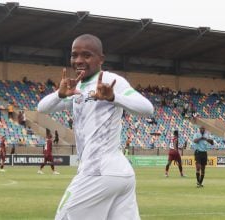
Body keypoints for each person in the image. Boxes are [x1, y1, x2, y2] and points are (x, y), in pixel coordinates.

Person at [38, 34, 153, 220]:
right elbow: (42, 108)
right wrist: (60, 94)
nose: (79, 60)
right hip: (119, 175)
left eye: (86, 55)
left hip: (98, 171)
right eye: (74, 55)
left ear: (101, 59)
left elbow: (148, 109)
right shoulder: (77, 88)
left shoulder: (110, 80)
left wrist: (114, 97)